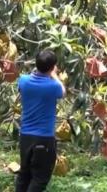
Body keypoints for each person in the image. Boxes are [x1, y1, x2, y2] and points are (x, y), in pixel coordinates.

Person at [16, 50, 66, 192]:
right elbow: (63, 91)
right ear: (52, 68)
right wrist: (54, 75)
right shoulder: (53, 86)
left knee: (24, 175)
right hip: (44, 138)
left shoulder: (23, 80)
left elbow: (23, 87)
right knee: (39, 179)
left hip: (25, 136)